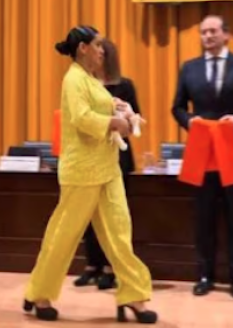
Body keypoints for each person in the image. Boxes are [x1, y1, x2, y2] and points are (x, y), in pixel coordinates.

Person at [23, 26, 156, 323]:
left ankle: (134, 295)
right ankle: (39, 291)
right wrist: (113, 123)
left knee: (121, 234)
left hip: (108, 170)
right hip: (82, 172)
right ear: (82, 48)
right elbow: (81, 118)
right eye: (97, 46)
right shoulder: (73, 79)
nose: (102, 51)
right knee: (64, 237)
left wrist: (121, 108)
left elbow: (102, 103)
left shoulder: (92, 80)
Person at [171, 15, 233, 298]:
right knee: (203, 216)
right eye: (203, 32)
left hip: (232, 151)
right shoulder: (189, 68)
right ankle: (204, 274)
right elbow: (177, 107)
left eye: (213, 31)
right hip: (202, 154)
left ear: (226, 35)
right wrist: (190, 121)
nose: (208, 36)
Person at [74, 38, 142, 290]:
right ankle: (92, 265)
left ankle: (113, 268)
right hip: (90, 154)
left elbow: (134, 121)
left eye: (101, 53)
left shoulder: (124, 86)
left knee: (114, 216)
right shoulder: (85, 85)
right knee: (89, 213)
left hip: (117, 157)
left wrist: (121, 117)